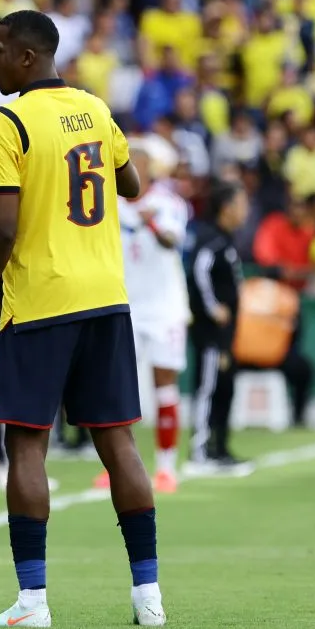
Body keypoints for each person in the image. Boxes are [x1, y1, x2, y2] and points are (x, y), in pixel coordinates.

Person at [0, 10, 165, 629]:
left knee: (25, 443)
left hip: (42, 299)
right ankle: (148, 597)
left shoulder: (7, 119)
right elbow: (129, 183)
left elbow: (1, 227)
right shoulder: (95, 108)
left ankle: (32, 602)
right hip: (106, 294)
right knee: (118, 441)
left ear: (27, 57)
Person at [94, 146, 191, 494]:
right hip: (123, 305)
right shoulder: (106, 204)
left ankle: (166, 467)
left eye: (138, 166)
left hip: (165, 307)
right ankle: (116, 466)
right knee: (117, 385)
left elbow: (171, 242)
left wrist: (149, 221)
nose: (131, 171)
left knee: (164, 383)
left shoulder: (169, 204)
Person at [185, 181, 253, 476]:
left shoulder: (227, 241)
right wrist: (213, 308)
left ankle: (221, 448)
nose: (246, 210)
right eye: (241, 203)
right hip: (210, 332)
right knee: (208, 387)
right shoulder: (211, 240)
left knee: (225, 387)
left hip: (227, 334)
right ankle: (200, 451)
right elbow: (198, 272)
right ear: (227, 208)